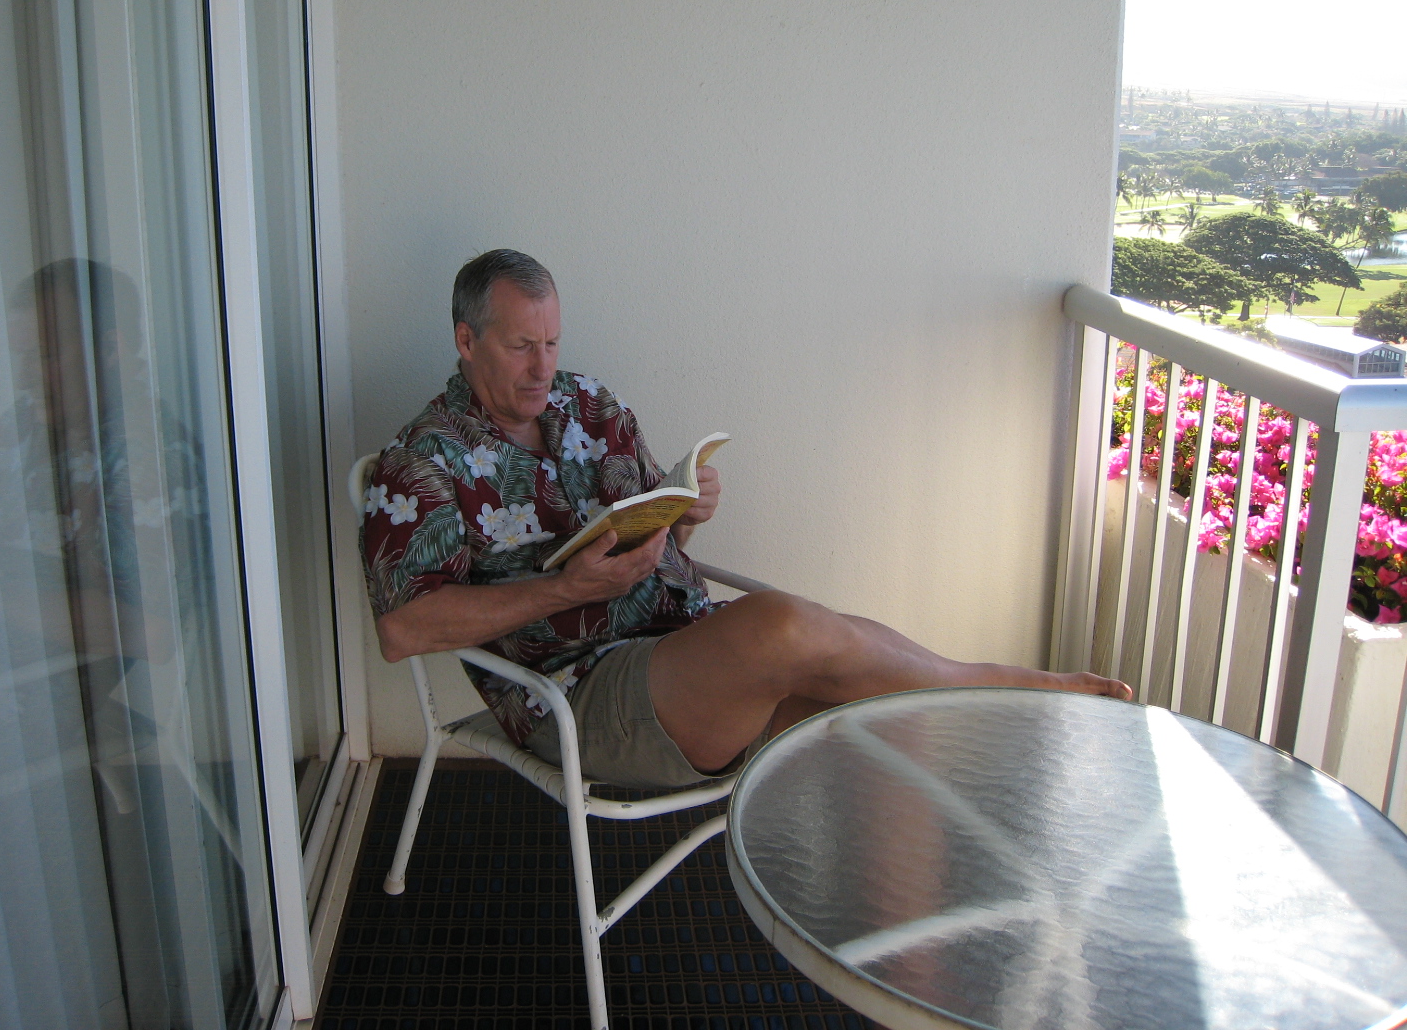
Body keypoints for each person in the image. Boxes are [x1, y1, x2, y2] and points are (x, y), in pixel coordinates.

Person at [360, 249, 1130, 789]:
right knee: (782, 627)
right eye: (522, 346)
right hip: (577, 697)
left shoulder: (589, 405)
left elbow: (656, 537)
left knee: (889, 727)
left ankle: (905, 953)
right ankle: (1003, 689)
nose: (543, 367)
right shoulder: (423, 460)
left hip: (686, 646)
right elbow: (402, 631)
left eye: (553, 342)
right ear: (467, 341)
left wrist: (686, 512)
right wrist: (566, 590)